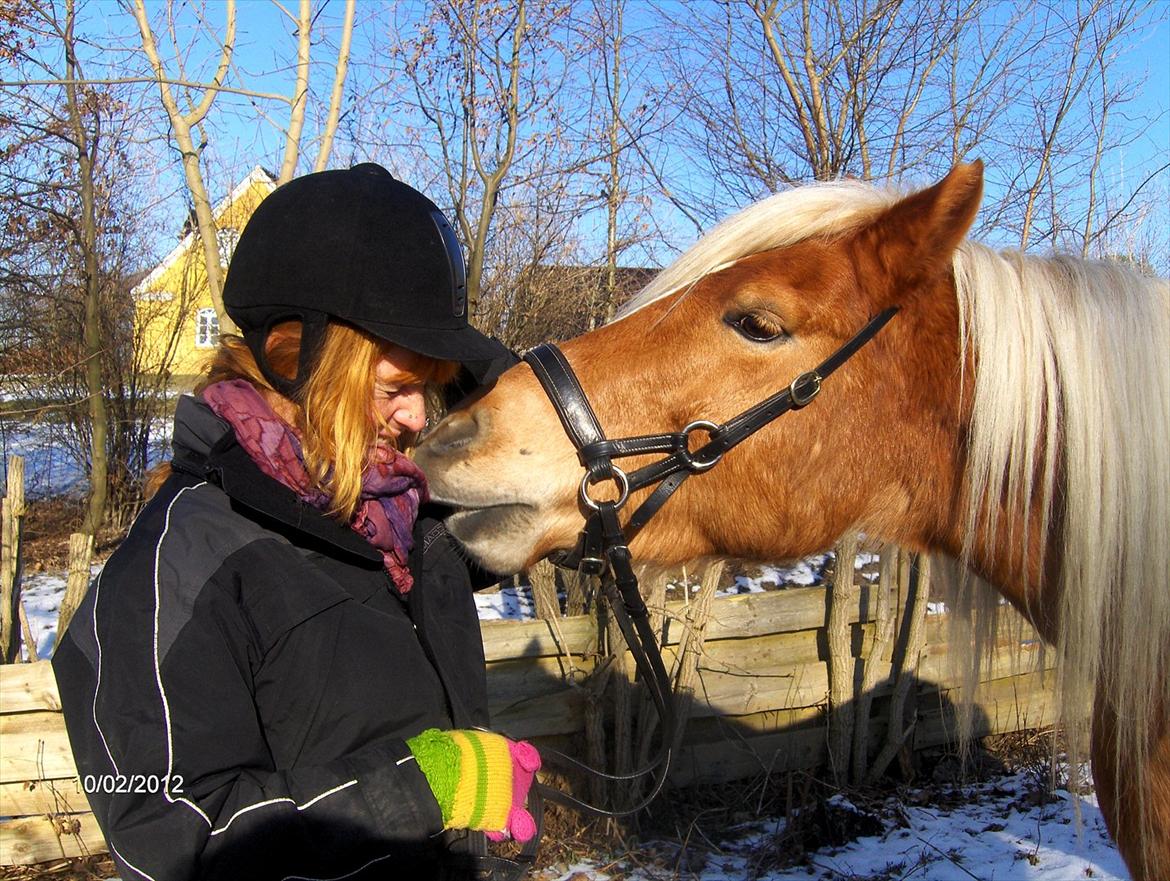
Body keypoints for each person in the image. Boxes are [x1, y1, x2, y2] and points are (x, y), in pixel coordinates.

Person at [52, 163, 539, 881]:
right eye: (397, 388)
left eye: (424, 390)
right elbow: (173, 839)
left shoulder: (399, 521)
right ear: (299, 362)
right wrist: (430, 787)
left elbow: (537, 459)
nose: (414, 418)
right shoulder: (176, 567)